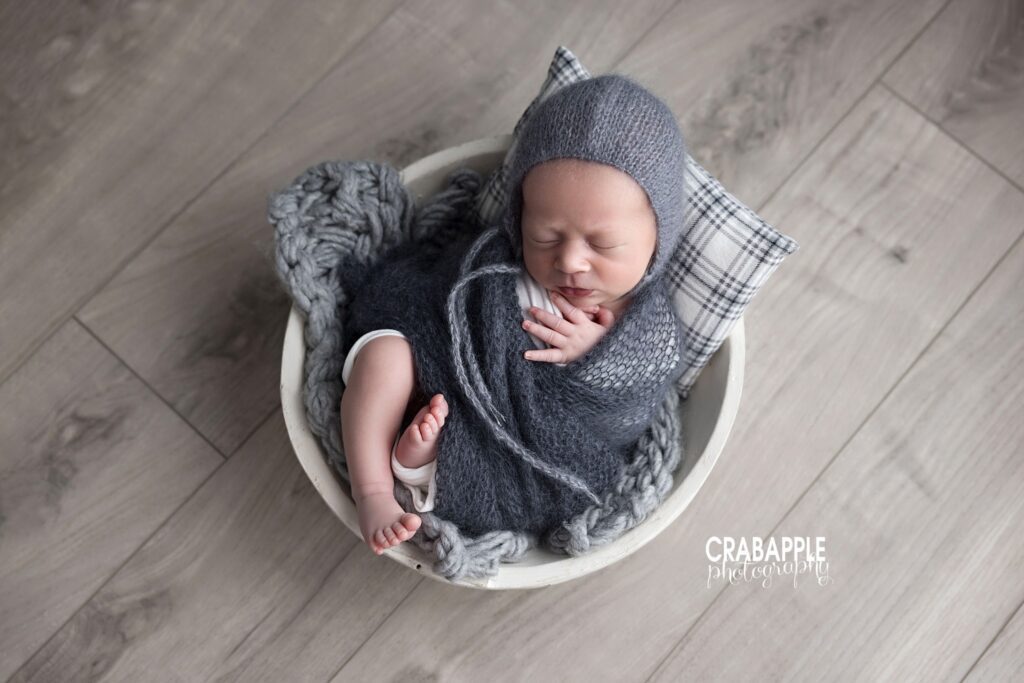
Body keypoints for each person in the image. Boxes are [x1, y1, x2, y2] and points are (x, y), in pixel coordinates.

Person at [340, 74, 688, 556]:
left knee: (470, 447)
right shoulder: (497, 258)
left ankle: (422, 464)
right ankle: (374, 490)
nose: (570, 262)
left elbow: (628, 420)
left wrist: (596, 360)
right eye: (546, 236)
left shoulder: (646, 329)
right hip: (440, 365)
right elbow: (436, 291)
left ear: (657, 242)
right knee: (382, 354)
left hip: (526, 440)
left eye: (602, 245)